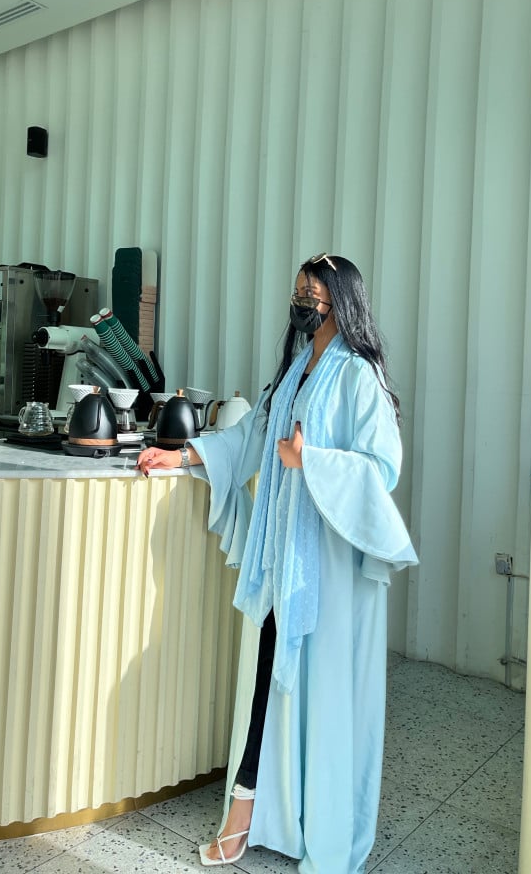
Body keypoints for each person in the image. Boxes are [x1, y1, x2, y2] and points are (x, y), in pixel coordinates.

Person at [137, 253, 418, 872]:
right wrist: (184, 456)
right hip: (280, 559)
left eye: (312, 296)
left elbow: (381, 468)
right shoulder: (293, 373)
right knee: (268, 676)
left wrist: (310, 461)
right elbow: (251, 437)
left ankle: (291, 820)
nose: (302, 305)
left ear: (341, 302)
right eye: (298, 294)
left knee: (314, 691)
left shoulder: (359, 377)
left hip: (328, 568)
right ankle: (253, 815)